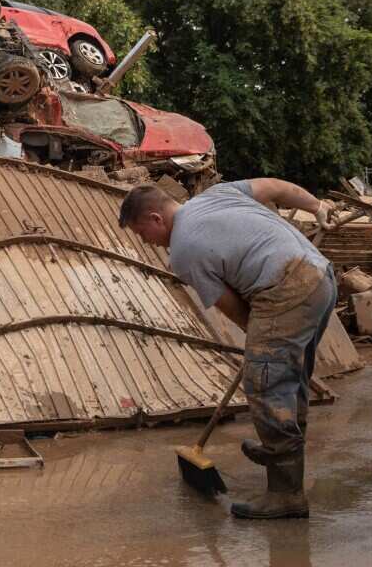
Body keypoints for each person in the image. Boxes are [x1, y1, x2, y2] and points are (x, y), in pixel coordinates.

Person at [118, 179, 338, 519]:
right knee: (289, 381)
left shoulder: (183, 250)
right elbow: (275, 187)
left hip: (285, 288)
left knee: (266, 385)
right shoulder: (216, 195)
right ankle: (281, 456)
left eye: (141, 233)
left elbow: (233, 308)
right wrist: (316, 206)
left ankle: (286, 493)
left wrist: (261, 348)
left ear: (155, 219)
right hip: (321, 278)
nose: (146, 242)